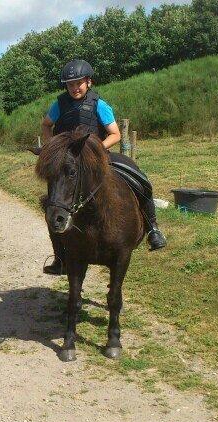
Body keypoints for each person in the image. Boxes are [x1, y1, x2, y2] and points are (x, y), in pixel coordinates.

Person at [40, 59, 167, 275]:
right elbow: (46, 125)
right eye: (70, 84)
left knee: (140, 181)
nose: (74, 88)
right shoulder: (59, 104)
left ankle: (153, 228)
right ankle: (60, 258)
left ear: (88, 82)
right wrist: (53, 148)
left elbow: (115, 134)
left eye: (78, 83)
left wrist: (95, 149)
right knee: (52, 204)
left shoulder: (99, 104)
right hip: (69, 163)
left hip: (95, 158)